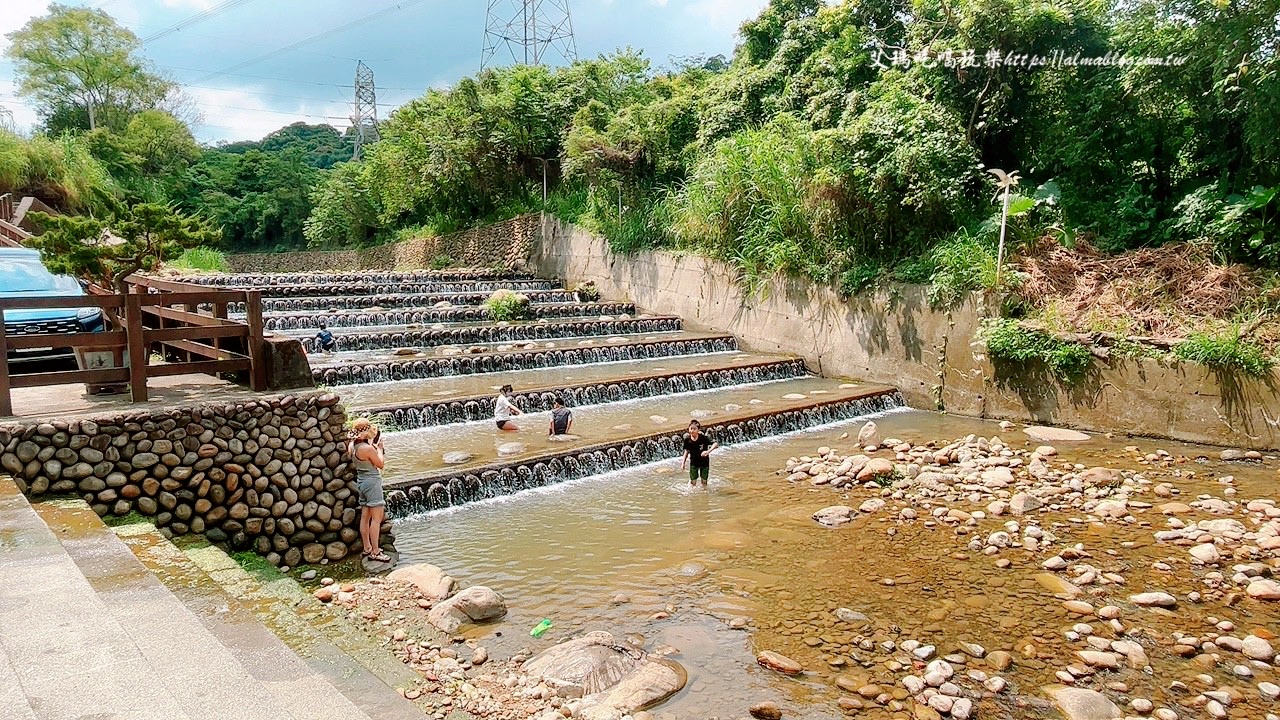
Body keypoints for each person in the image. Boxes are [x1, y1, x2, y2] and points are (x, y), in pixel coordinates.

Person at [349, 418, 391, 563]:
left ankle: (366, 547)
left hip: (361, 482)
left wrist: (372, 446)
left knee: (365, 516)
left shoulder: (352, 446)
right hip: (372, 483)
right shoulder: (368, 449)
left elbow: (365, 459)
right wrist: (379, 449)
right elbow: (380, 464)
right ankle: (375, 551)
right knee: (376, 519)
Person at [681, 419, 719, 487]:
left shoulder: (703, 438)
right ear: (688, 429)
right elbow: (686, 452)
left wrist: (708, 451)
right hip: (694, 463)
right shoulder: (687, 440)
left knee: (704, 482)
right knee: (693, 483)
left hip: (704, 462)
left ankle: (704, 495)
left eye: (694, 429)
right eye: (691, 428)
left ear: (698, 430)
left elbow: (716, 444)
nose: (692, 430)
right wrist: (683, 463)